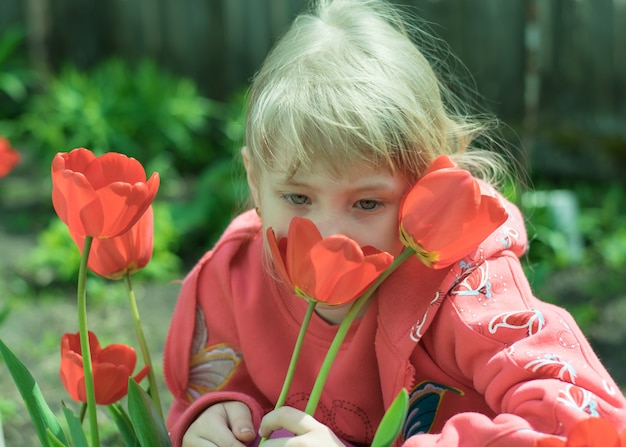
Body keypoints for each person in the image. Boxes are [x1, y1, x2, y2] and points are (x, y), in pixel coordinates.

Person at [162, 0, 626, 445]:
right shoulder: (234, 278)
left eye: (367, 203)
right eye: (297, 197)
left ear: (433, 185)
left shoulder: (465, 289)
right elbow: (203, 392)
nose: (328, 235)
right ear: (255, 182)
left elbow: (587, 422)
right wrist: (213, 417)